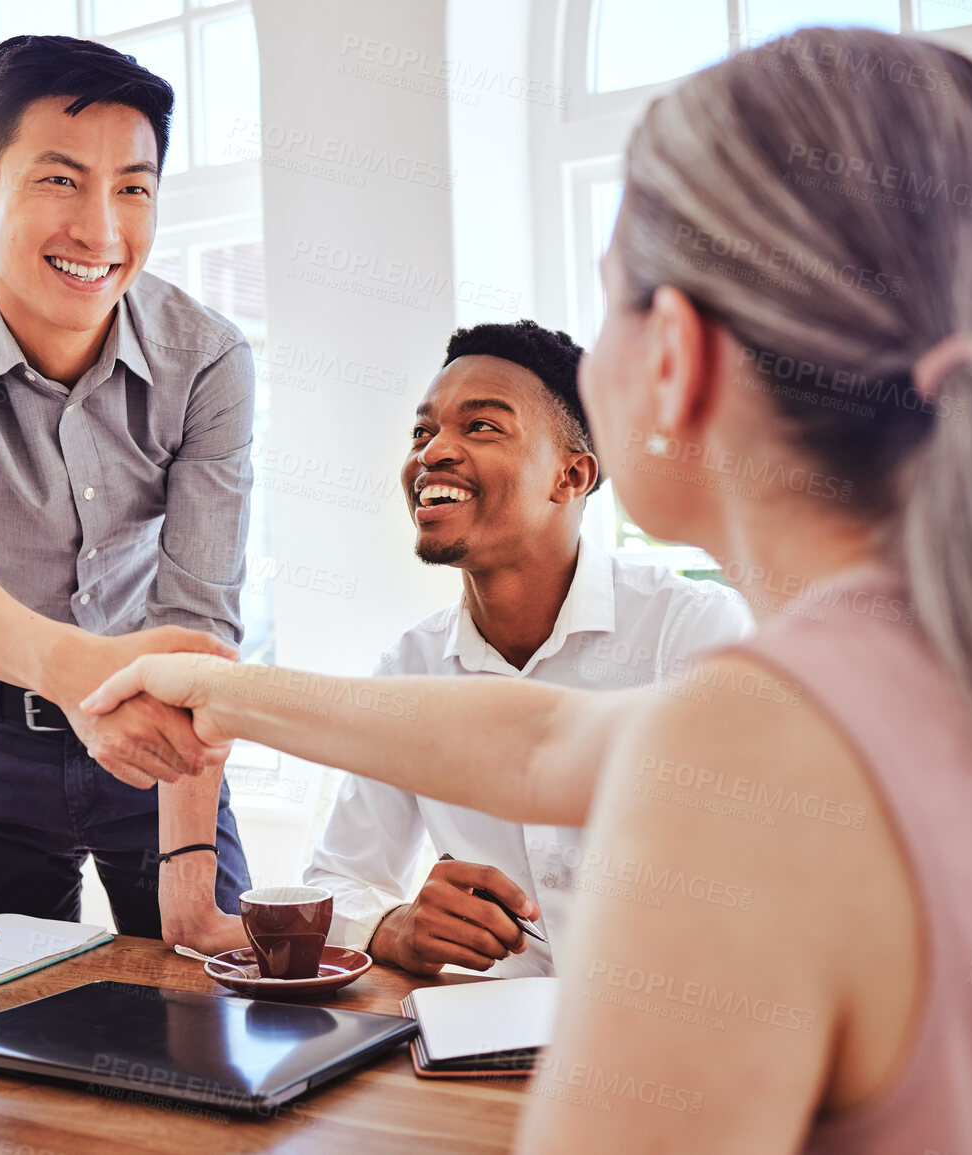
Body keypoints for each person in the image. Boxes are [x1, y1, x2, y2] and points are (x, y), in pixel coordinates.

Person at [83, 28, 972, 1153]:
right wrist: (212, 691)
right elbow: (542, 743)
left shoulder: (750, 744)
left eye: (613, 299)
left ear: (673, 353)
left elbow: (618, 754)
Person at [157, 322, 751, 973]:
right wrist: (393, 924)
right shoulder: (410, 666)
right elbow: (342, 874)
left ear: (570, 475)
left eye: (481, 427)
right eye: (422, 431)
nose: (432, 451)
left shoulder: (691, 631)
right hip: (478, 1048)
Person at [0, 35, 252, 938]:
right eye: (60, 180)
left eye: (133, 188)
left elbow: (199, 617)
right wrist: (81, 676)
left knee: (215, 1002)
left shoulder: (209, 359)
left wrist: (190, 884)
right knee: (2, 1036)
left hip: (160, 732)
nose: (102, 232)